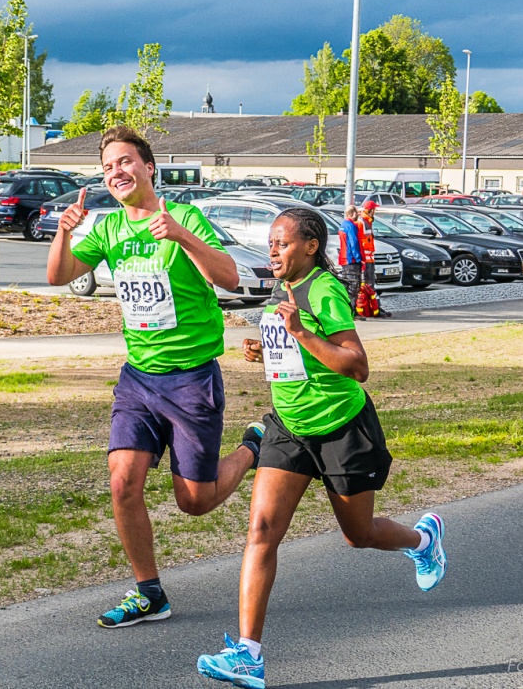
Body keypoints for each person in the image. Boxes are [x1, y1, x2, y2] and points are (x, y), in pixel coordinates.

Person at [196, 208, 447, 689]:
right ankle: (248, 655)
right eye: (270, 242)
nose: (273, 249)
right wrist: (267, 348)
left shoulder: (324, 289)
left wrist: (301, 333)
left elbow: (356, 365)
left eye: (282, 242)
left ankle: (423, 541)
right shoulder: (280, 289)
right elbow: (295, 354)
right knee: (261, 531)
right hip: (289, 428)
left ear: (310, 246)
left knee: (359, 534)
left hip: (341, 430)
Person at [47, 125, 260, 629]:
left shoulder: (184, 216)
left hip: (191, 379)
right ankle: (149, 593)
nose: (115, 172)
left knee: (194, 501)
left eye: (124, 162)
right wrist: (63, 230)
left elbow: (229, 279)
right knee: (123, 482)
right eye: (107, 167)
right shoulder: (105, 227)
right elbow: (58, 277)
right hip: (139, 378)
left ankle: (253, 446)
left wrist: (181, 236)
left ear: (147, 167)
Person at [358, 200, 391, 318]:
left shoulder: (367, 221)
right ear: (370, 210)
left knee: (371, 285)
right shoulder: (362, 222)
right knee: (367, 285)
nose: (375, 212)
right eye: (374, 209)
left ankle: (375, 307)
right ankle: (370, 308)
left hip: (369, 258)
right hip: (365, 260)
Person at [337, 206, 363, 318]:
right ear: (352, 213)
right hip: (351, 260)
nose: (358, 214)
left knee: (346, 286)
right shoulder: (351, 226)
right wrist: (358, 258)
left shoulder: (343, 225)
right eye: (356, 212)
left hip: (344, 259)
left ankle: (346, 311)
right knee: (353, 286)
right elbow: (354, 243)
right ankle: (352, 312)